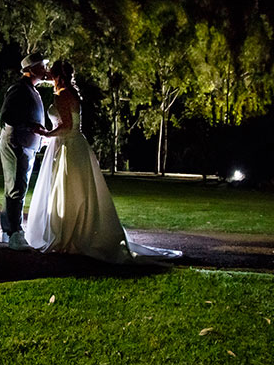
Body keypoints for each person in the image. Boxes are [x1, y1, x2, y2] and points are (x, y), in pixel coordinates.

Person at [26, 60, 182, 263]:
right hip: (69, 146)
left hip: (68, 149)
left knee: (67, 190)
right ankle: (75, 229)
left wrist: (46, 132)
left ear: (57, 76)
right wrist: (49, 137)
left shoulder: (63, 94)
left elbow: (66, 126)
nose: (47, 76)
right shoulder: (69, 93)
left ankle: (68, 234)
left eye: (50, 74)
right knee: (72, 190)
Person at [0, 52, 49, 251]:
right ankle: (15, 233)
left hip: (25, 144)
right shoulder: (19, 89)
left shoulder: (31, 89)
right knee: (16, 188)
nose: (45, 70)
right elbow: (8, 115)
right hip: (17, 143)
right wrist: (32, 127)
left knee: (15, 187)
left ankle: (8, 231)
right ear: (30, 69)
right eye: (42, 66)